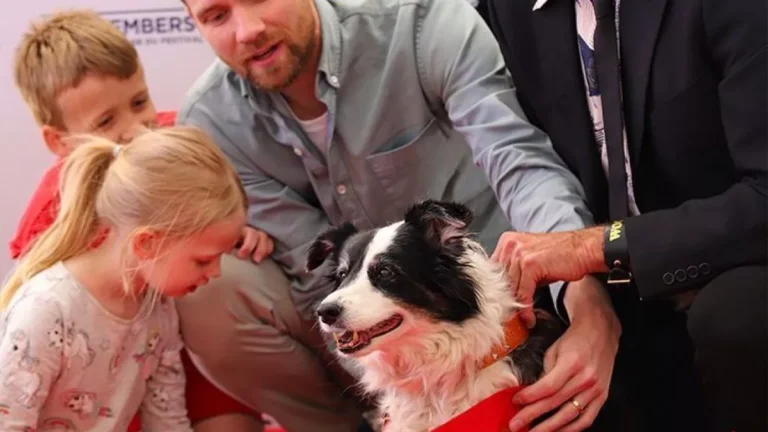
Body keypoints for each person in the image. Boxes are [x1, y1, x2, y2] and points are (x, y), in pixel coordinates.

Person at [175, 0, 621, 430]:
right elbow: (314, 272)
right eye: (216, 15)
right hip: (364, 336)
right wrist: (402, 390)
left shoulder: (423, 25)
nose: (247, 29)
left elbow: (518, 163)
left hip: (494, 305)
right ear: (191, 21)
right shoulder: (210, 120)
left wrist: (588, 304)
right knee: (215, 290)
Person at [485, 0, 767, 431]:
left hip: (736, 258)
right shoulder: (508, 11)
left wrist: (594, 248)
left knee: (733, 319)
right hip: (623, 275)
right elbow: (529, 159)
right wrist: (585, 301)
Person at [8, 10, 269, 431]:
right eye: (106, 122)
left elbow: (230, 202)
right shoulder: (49, 224)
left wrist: (235, 233)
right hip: (99, 394)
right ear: (60, 140)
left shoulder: (181, 140)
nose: (135, 128)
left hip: (186, 360)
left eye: (138, 102)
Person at [0, 126, 247, 430]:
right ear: (146, 243)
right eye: (204, 260)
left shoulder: (159, 311)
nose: (216, 272)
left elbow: (167, 418)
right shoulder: (47, 311)